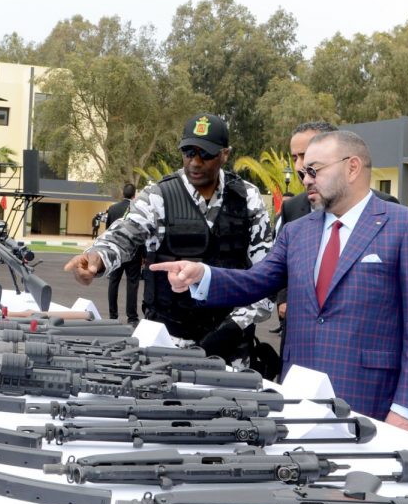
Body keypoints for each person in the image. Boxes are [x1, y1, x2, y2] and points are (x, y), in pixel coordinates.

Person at [149, 130, 408, 431]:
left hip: (370, 398)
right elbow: (257, 280)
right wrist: (204, 275)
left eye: (314, 171)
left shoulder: (406, 226)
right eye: (303, 173)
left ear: (352, 168)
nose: (305, 180)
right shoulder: (297, 231)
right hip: (300, 395)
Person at [64, 113, 273, 363]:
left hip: (231, 347)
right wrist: (96, 258)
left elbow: (267, 276)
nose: (195, 162)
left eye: (205, 154)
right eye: (188, 152)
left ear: (224, 154)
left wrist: (233, 327)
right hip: (167, 344)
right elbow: (124, 234)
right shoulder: (159, 196)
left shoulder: (247, 198)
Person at [272, 122, 399, 338]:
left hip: (356, 340)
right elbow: (276, 267)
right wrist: (283, 299)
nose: (300, 167)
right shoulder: (292, 209)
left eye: (308, 158)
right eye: (295, 158)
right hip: (301, 339)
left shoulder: (390, 212)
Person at [105, 183, 142, 327]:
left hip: (116, 252)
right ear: (134, 194)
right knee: (132, 284)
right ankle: (132, 317)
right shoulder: (137, 210)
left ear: (122, 193)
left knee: (113, 282)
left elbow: (108, 231)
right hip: (133, 252)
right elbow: (141, 232)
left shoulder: (113, 209)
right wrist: (144, 254)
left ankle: (112, 316)